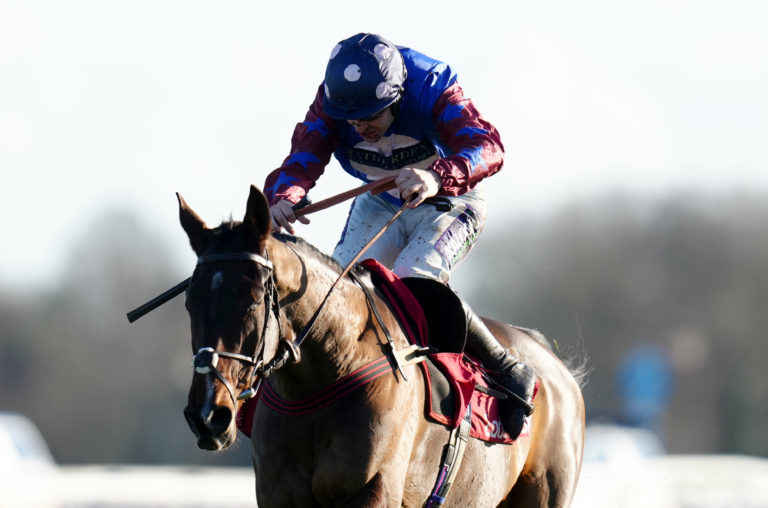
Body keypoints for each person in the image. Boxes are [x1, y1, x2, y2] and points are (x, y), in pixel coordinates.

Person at [263, 33, 535, 438]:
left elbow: (489, 147)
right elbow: (305, 153)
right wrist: (285, 196)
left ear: (396, 98)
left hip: (449, 199)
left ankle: (506, 367)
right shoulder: (332, 100)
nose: (359, 128)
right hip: (379, 200)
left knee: (411, 281)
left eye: (369, 117)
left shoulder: (433, 87)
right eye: (352, 121)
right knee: (343, 293)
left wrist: (436, 176)